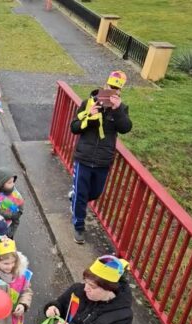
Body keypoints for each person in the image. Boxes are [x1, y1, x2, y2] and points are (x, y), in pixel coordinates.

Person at [69, 71, 132, 244]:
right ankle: (79, 226)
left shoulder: (121, 108)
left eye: (117, 89)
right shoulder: (87, 103)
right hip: (84, 157)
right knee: (81, 194)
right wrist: (89, 115)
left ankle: (75, 200)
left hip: (104, 160)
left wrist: (118, 110)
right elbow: (74, 127)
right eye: (111, 87)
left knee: (95, 192)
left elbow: (125, 128)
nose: (113, 91)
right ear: (104, 86)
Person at [0, 167, 23, 240]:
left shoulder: (14, 192)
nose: (12, 184)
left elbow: (20, 204)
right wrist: (11, 215)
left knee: (8, 240)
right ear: (1, 184)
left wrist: (19, 213)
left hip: (11, 225)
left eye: (13, 181)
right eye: (9, 182)